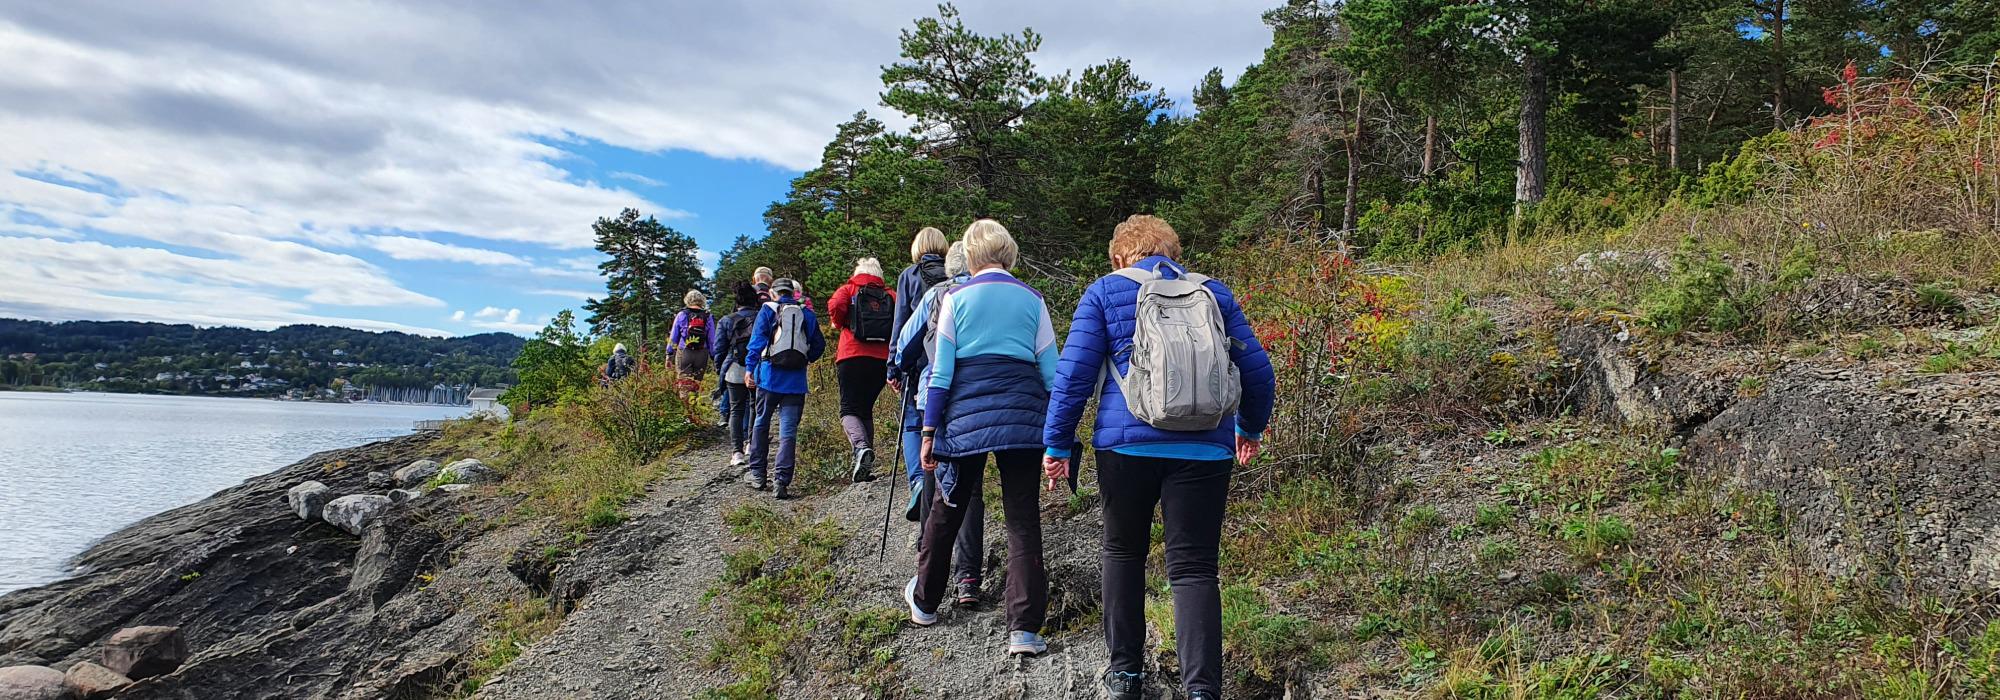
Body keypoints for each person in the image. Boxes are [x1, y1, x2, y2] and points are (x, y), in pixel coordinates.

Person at [1041, 215, 1276, 700]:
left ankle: (1126, 674)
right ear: (1172, 251)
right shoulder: (1213, 292)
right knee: (1193, 568)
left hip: (1126, 445)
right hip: (1206, 446)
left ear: (1121, 256)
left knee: (1123, 551)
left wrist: (1057, 445)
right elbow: (1258, 370)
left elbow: (1073, 377)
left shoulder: (1105, 291)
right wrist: (1248, 427)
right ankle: (1202, 690)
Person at [904, 219, 1057, 657]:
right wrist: (1058, 433)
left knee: (947, 508)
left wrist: (929, 430)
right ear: (1008, 253)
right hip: (1024, 420)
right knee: (1023, 519)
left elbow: (941, 374)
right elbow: (1052, 373)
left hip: (964, 418)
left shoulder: (955, 297)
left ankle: (926, 601)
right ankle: (1024, 629)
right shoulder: (1033, 300)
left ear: (970, 256)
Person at [890, 240, 984, 606]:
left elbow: (904, 343)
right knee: (971, 489)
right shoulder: (984, 294)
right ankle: (968, 578)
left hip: (938, 400)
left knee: (936, 480)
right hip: (978, 402)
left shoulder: (937, 294)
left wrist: (898, 367)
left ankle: (928, 569)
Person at [742, 278, 825, 500]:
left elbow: (757, 342)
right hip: (796, 382)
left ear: (773, 292)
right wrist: (804, 360)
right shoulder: (806, 313)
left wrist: (750, 369)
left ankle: (758, 475)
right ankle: (781, 481)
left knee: (761, 421)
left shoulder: (768, 310)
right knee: (788, 431)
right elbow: (819, 346)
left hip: (769, 378)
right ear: (792, 292)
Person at [827, 257, 895, 483]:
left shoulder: (849, 289)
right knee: (865, 409)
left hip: (852, 355)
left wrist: (839, 322)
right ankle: (865, 464)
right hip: (881, 359)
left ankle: (860, 448)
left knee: (848, 408)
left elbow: (835, 305)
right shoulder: (890, 295)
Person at [713, 282, 762, 469]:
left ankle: (737, 452)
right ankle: (751, 443)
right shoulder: (761, 317)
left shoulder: (726, 320)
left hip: (734, 368)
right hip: (757, 368)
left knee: (736, 410)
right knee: (755, 406)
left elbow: (719, 349)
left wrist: (720, 369)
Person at [668, 290, 715, 381]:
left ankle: (685, 395)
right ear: (702, 300)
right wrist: (713, 356)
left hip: (684, 352)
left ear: (687, 300)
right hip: (702, 353)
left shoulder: (682, 314)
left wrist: (669, 354)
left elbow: (673, 337)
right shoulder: (708, 316)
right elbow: (711, 339)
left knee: (685, 385)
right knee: (697, 384)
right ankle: (695, 395)